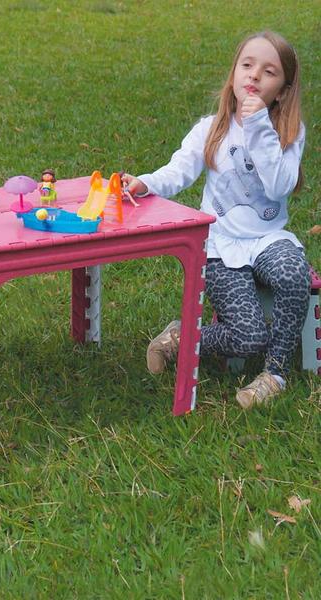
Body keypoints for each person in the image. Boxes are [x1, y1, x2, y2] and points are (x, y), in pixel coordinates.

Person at [122, 31, 309, 409]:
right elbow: (179, 170)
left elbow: (277, 187)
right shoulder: (212, 128)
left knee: (293, 274)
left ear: (283, 90)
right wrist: (146, 183)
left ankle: (275, 373)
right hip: (221, 244)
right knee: (248, 336)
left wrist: (259, 129)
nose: (254, 76)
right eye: (247, 65)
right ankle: (181, 337)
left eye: (268, 71)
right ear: (234, 74)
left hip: (268, 238)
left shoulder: (289, 132)